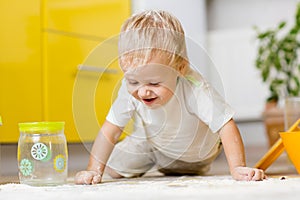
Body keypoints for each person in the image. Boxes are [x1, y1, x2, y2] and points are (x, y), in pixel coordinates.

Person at [75, 10, 265, 184]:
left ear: (180, 69)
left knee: (184, 163)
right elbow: (111, 130)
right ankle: (142, 155)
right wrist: (93, 170)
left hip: (195, 157)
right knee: (112, 169)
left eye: (154, 83)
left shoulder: (195, 87)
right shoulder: (129, 88)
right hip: (154, 146)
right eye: (133, 82)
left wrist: (237, 167)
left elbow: (226, 124)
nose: (142, 92)